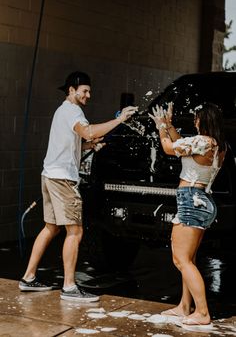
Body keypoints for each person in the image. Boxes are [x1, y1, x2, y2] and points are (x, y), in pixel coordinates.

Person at [19, 71, 138, 302]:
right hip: (63, 180)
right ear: (71, 91)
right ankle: (70, 287)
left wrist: (89, 147)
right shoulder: (73, 111)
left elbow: (75, 143)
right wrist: (120, 119)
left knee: (51, 228)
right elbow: (89, 131)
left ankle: (28, 277)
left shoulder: (62, 111)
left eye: (89, 91)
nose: (88, 95)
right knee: (75, 231)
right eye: (84, 90)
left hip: (49, 176)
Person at [149, 102, 226, 326]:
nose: (195, 121)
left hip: (191, 201)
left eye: (197, 118)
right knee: (189, 259)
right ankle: (184, 307)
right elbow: (181, 141)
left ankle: (202, 312)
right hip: (203, 200)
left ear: (204, 120)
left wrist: (162, 126)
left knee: (181, 259)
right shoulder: (218, 144)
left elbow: (167, 147)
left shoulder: (202, 141)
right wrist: (171, 126)